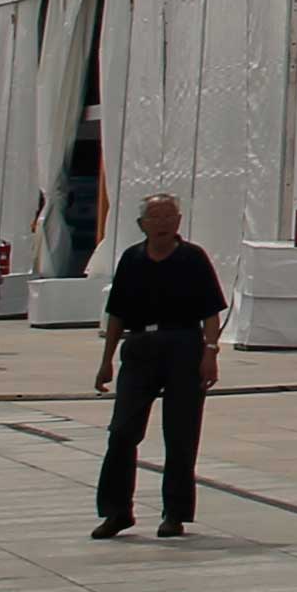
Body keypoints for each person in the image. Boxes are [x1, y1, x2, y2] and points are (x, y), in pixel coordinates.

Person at [92, 191, 225, 539]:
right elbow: (116, 314)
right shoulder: (131, 259)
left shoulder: (193, 258)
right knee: (122, 431)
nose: (163, 224)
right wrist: (106, 361)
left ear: (179, 221)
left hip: (184, 346)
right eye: (155, 218)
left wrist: (210, 353)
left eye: (169, 217)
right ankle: (117, 511)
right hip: (139, 347)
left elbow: (211, 312)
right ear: (141, 224)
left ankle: (175, 513)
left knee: (180, 434)